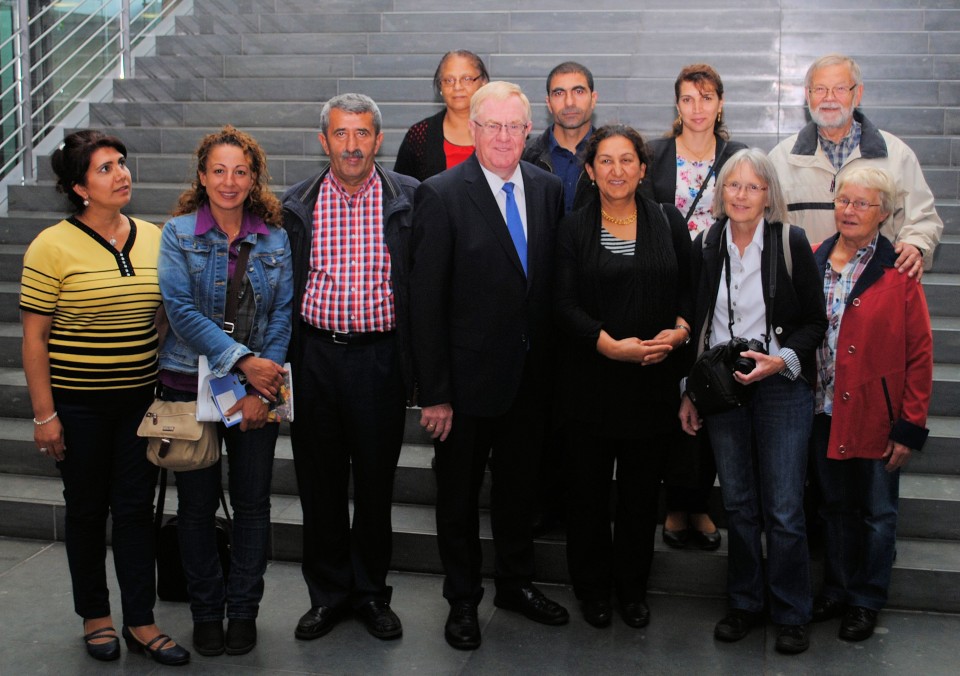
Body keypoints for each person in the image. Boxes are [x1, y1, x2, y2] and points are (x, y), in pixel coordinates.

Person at [20, 129, 189, 666]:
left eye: (121, 163)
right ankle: (96, 616)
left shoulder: (153, 236)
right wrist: (45, 414)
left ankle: (140, 619)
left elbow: (164, 313)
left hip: (139, 402)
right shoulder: (50, 246)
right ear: (78, 187)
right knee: (88, 511)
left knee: (136, 511)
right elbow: (34, 338)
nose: (121, 174)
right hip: (78, 406)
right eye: (105, 169)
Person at [410, 81, 568, 650]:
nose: (504, 137)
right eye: (492, 126)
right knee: (457, 498)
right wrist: (434, 393)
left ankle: (516, 585)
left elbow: (547, 287)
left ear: (529, 132)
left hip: (530, 380)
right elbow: (425, 303)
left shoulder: (550, 190)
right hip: (465, 385)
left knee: (520, 493)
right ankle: (462, 601)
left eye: (514, 127)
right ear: (473, 129)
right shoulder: (441, 193)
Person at [678, 149, 827, 655]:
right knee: (739, 504)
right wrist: (690, 393)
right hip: (725, 389)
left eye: (752, 187)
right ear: (721, 193)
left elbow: (814, 323)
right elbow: (699, 324)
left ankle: (790, 612)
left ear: (769, 195)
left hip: (781, 387)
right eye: (732, 186)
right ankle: (744, 603)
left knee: (784, 507)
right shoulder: (707, 243)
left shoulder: (790, 242)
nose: (741, 195)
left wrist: (780, 360)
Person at [283, 93, 418, 643]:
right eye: (341, 133)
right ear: (324, 141)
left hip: (380, 360)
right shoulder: (297, 203)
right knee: (319, 484)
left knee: (376, 484)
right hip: (314, 357)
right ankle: (329, 595)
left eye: (363, 133)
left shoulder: (409, 198)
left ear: (378, 140)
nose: (353, 144)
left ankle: (369, 593)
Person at [157, 125, 292, 657]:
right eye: (219, 170)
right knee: (195, 508)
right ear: (202, 176)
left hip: (259, 389)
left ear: (254, 177)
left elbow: (282, 315)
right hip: (191, 385)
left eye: (240, 170)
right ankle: (206, 612)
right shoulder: (178, 233)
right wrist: (245, 363)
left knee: (254, 505)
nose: (229, 181)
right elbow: (181, 312)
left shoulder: (275, 237)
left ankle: (243, 612)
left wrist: (266, 384)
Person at [554, 125, 692, 629]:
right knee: (587, 496)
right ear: (590, 171)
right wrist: (606, 343)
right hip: (590, 384)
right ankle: (592, 591)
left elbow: (688, 293)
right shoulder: (572, 229)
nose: (617, 170)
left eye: (626, 160)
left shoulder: (668, 221)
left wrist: (678, 334)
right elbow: (562, 305)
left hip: (651, 386)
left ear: (642, 168)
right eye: (605, 161)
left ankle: (632, 590)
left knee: (638, 498)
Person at [809, 166, 933, 642]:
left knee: (878, 514)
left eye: (863, 203)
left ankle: (866, 599)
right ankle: (838, 590)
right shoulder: (816, 257)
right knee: (835, 509)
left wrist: (909, 426)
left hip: (877, 417)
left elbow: (920, 352)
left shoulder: (898, 270)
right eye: (845, 200)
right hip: (823, 411)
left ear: (883, 213)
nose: (851, 210)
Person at [645, 63, 746, 551]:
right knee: (669, 394)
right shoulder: (655, 154)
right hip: (665, 291)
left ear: (720, 103)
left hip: (724, 292)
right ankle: (673, 504)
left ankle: (700, 503)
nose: (697, 108)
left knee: (710, 389)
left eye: (707, 98)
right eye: (688, 99)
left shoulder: (738, 156)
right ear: (677, 105)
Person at [768, 53, 942, 279]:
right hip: (803, 291)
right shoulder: (779, 160)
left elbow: (922, 217)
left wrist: (915, 245)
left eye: (840, 89)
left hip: (875, 290)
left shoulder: (896, 155)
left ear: (857, 94)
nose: (829, 98)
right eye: (820, 89)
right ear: (807, 95)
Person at [393, 50, 489, 180]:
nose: (457, 87)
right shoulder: (419, 135)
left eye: (466, 79)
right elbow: (402, 191)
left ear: (483, 82)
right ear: (440, 87)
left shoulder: (504, 130)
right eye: (449, 80)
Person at [522, 61, 597, 214]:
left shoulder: (611, 157)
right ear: (548, 103)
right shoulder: (524, 156)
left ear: (593, 99)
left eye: (579, 91)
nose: (569, 102)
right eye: (559, 93)